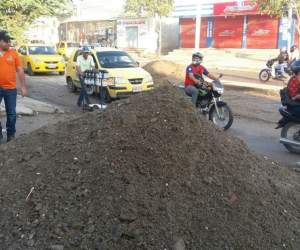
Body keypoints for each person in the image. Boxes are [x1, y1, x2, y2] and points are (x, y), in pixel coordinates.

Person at [0, 30, 26, 143]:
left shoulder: (14, 54)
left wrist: (23, 87)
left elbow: (20, 70)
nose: (8, 43)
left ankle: (11, 135)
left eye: (9, 41)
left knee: (11, 113)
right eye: (6, 41)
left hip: (10, 88)